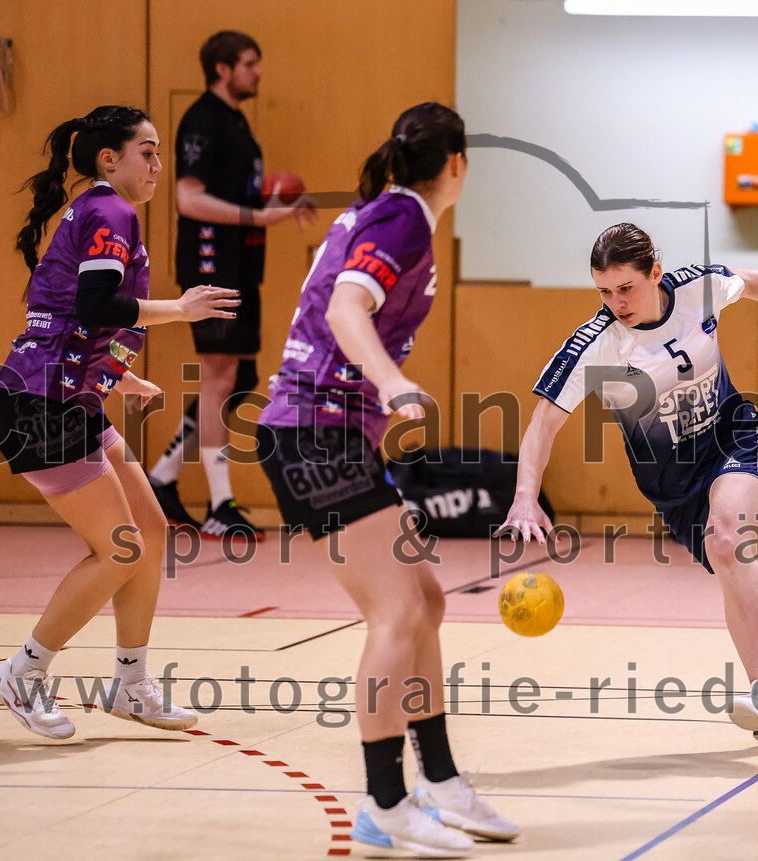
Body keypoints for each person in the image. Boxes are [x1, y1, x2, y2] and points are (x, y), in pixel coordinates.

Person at [497, 222, 758, 743]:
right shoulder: (596, 346)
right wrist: (525, 496)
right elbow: (543, 423)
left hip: (735, 440)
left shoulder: (694, 290)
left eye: (626, 288)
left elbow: (753, 282)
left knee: (729, 539)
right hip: (676, 485)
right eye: (604, 291)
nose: (616, 301)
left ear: (654, 274)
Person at [256, 103, 519, 857]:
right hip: (316, 429)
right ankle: (383, 800)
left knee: (425, 599)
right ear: (459, 165)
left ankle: (438, 778)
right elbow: (345, 308)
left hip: (329, 430)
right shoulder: (402, 220)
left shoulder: (385, 212)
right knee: (397, 611)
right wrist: (392, 379)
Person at [0, 105, 239, 739]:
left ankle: (130, 685)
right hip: (41, 404)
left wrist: (119, 376)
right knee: (119, 547)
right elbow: (100, 305)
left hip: (72, 399)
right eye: (147, 152)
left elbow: (67, 312)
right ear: (109, 159)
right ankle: (22, 672)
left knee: (149, 535)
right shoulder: (110, 211)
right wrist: (181, 309)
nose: (158, 164)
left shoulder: (105, 213)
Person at [147, 30, 315, 541]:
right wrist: (258, 216)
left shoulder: (237, 123)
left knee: (236, 382)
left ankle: (162, 478)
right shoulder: (202, 119)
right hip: (210, 263)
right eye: (248, 63)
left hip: (239, 267)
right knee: (220, 378)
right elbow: (188, 199)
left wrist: (274, 205)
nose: (257, 71)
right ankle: (222, 504)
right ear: (222, 68)